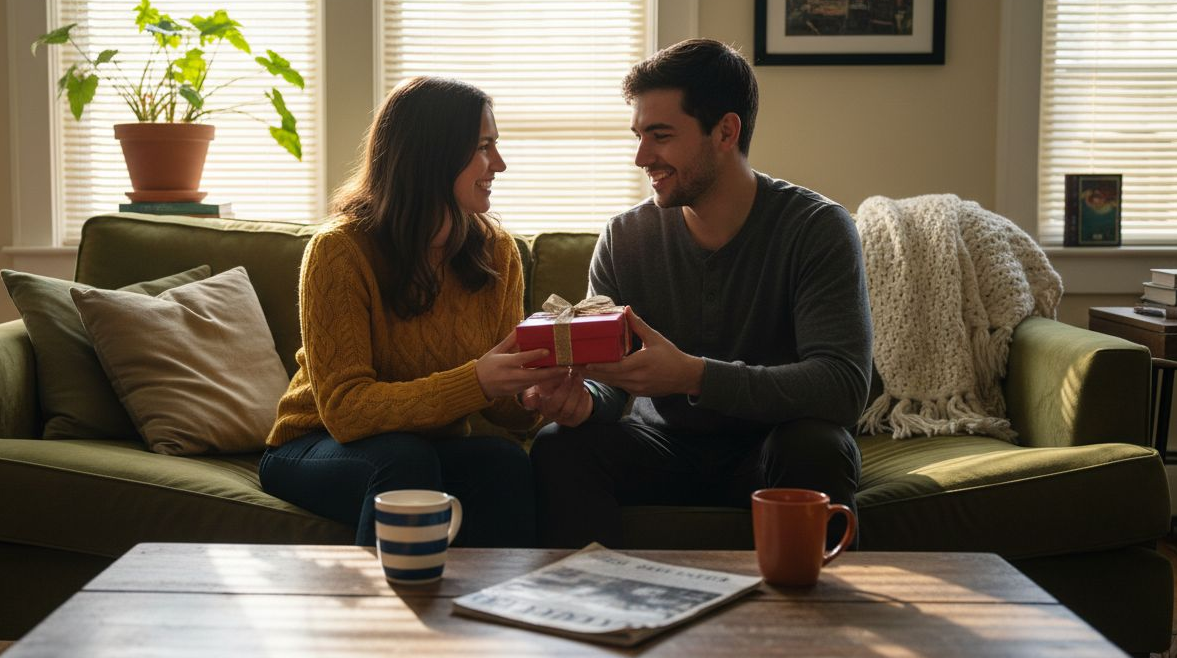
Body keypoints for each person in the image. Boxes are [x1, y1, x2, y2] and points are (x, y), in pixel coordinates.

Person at [525, 39, 873, 549]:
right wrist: (583, 401)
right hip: (661, 447)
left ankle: (814, 601)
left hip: (772, 447)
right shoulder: (625, 237)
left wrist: (694, 375)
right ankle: (594, 597)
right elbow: (610, 382)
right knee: (560, 445)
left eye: (661, 136)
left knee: (817, 445)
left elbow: (841, 387)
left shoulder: (816, 229)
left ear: (725, 132)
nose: (641, 157)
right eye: (639, 136)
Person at [259, 76, 567, 547]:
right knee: (404, 460)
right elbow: (345, 411)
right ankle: (385, 598)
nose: (499, 164)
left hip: (424, 449)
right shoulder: (339, 250)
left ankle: (507, 595)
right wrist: (476, 380)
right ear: (432, 154)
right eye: (484, 147)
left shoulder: (497, 252)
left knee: (503, 462)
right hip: (314, 445)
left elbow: (503, 406)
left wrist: (532, 397)